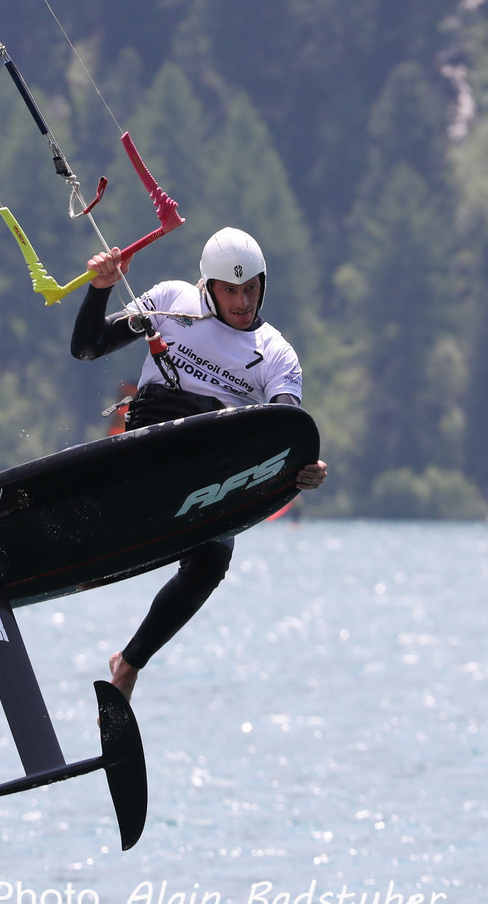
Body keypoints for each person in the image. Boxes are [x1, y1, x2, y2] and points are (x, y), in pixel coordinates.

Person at [70, 227, 327, 701]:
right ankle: (89, 546)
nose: (243, 300)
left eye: (251, 287)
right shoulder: (171, 299)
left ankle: (128, 664)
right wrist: (101, 288)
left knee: (213, 558)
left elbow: (287, 427)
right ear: (207, 285)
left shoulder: (276, 355)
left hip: (211, 467)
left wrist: (304, 467)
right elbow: (87, 348)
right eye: (231, 290)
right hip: (148, 444)